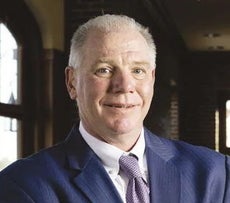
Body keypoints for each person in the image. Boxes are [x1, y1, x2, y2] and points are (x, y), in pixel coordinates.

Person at [0, 14, 229, 203]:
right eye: (104, 70)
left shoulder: (216, 174)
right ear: (72, 83)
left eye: (137, 71)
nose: (125, 86)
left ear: (152, 79)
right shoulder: (24, 186)